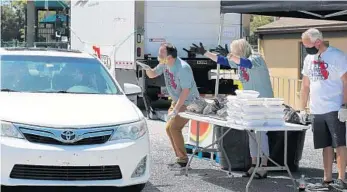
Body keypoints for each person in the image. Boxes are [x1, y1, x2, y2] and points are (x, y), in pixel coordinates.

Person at [191, 39, 273, 179]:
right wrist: (205, 53)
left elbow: (246, 63)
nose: (233, 54)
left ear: (240, 50)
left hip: (263, 102)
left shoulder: (256, 58)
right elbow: (221, 60)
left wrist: (230, 55)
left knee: (260, 134)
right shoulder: (238, 61)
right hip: (251, 103)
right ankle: (254, 165)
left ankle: (263, 166)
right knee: (251, 134)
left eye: (235, 51)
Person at [299, 28, 347, 190]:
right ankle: (327, 178)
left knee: (339, 143)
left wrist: (344, 106)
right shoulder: (308, 58)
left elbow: (346, 81)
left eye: (308, 45)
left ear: (318, 42)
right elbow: (305, 85)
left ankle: (341, 179)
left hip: (334, 107)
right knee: (325, 145)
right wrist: (302, 108)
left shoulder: (337, 56)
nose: (307, 48)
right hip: (316, 109)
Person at [145, 43, 200, 168]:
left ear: (169, 56)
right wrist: (146, 68)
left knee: (174, 127)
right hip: (177, 101)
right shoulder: (165, 63)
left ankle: (182, 159)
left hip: (189, 102)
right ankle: (180, 158)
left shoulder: (183, 68)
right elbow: (152, 74)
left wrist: (176, 110)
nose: (158, 55)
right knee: (168, 128)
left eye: (161, 53)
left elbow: (186, 91)